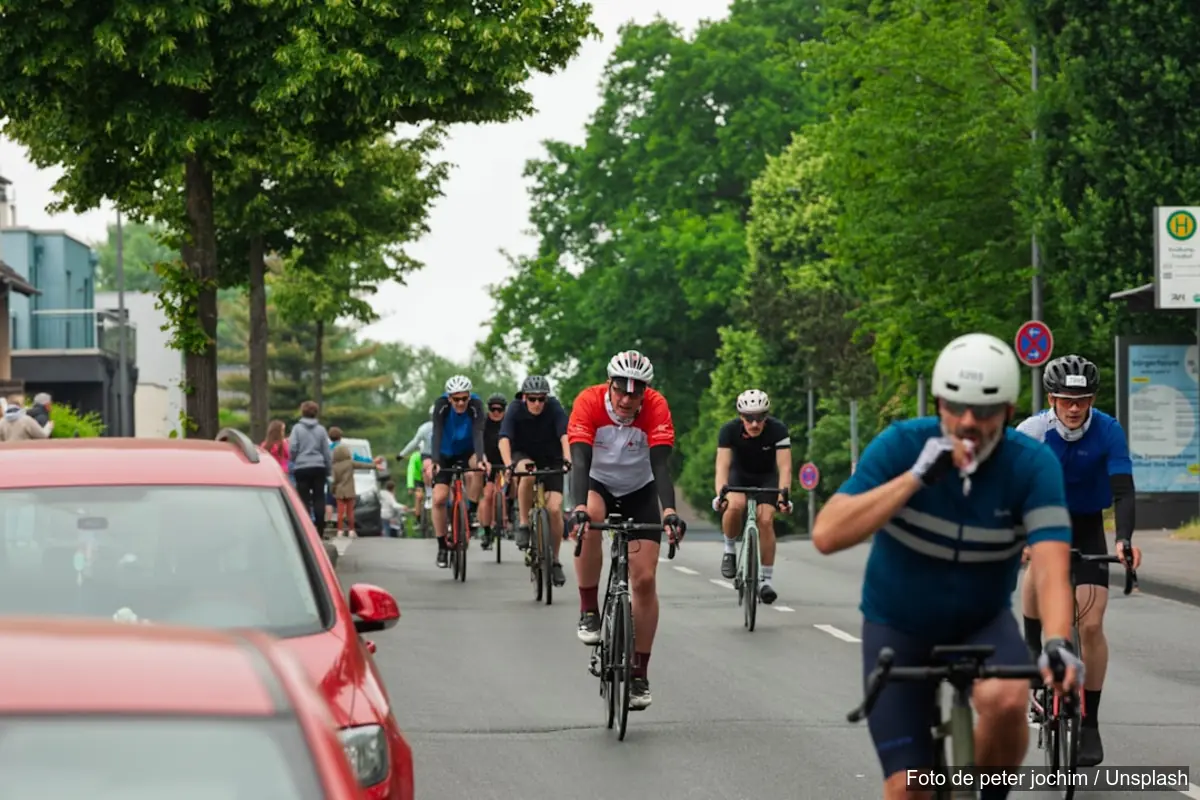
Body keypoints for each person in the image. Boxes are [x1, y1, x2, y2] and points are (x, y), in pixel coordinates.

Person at [811, 333, 1082, 800]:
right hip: (899, 624)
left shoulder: (1031, 466)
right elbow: (827, 534)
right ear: (938, 403)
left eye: (985, 410)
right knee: (907, 790)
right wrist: (915, 479)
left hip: (981, 622)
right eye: (955, 408)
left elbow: (1052, 571)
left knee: (1007, 698)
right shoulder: (901, 445)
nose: (968, 422)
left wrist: (1057, 643)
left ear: (1009, 412)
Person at [1015, 354, 1143, 767]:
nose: (1074, 408)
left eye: (1083, 399)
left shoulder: (1108, 431)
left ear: (1092, 400)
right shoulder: (1032, 431)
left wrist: (1123, 539)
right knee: (1040, 560)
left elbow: (1123, 491)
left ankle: (1090, 725)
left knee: (1090, 623)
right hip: (1043, 516)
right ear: (1052, 398)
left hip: (1088, 520)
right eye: (1067, 400)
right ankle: (1035, 648)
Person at [566, 350, 686, 711]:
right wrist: (579, 508)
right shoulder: (588, 402)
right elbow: (581, 460)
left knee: (645, 580)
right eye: (621, 390)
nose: (626, 399)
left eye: (636, 393)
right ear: (610, 385)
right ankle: (589, 608)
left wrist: (669, 512)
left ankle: (639, 673)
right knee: (589, 525)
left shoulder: (656, 407)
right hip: (598, 483)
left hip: (640, 489)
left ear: (645, 393)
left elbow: (661, 466)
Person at [711, 388, 793, 604]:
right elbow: (722, 467)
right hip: (739, 476)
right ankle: (729, 549)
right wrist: (721, 494)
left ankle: (766, 580)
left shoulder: (778, 430)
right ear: (741, 417)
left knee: (766, 519)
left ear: (766, 416)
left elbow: (784, 468)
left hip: (766, 478)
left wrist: (784, 496)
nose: (755, 424)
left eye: (760, 418)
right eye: (749, 418)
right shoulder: (728, 431)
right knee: (734, 505)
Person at [499, 376, 571, 586]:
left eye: (541, 399)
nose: (537, 404)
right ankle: (522, 523)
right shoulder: (514, 409)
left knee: (555, 509)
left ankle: (555, 560)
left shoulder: (554, 407)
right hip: (524, 455)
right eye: (532, 399)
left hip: (551, 458)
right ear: (524, 398)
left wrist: (567, 458)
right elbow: (504, 438)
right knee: (528, 473)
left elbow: (565, 435)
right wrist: (507, 464)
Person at [430, 376, 488, 568]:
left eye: (464, 398)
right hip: (445, 453)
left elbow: (479, 432)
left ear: (469, 396)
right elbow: (437, 432)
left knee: (476, 471)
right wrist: (436, 460)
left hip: (467, 451)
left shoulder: (476, 405)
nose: (461, 403)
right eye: (456, 399)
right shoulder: (441, 406)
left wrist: (480, 459)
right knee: (439, 498)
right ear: (449, 398)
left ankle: (470, 510)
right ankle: (441, 546)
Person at [289, 401, 333, 532]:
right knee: (319, 497)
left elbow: (292, 447)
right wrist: (328, 469)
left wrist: (295, 459)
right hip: (318, 466)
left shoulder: (297, 428)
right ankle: (320, 527)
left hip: (302, 467)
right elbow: (326, 452)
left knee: (304, 498)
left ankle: (306, 528)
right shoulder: (321, 430)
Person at [477, 393, 508, 550]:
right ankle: (487, 531)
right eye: (492, 409)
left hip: (504, 463)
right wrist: (483, 459)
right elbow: (478, 443)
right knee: (488, 495)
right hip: (488, 463)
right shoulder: (484, 423)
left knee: (502, 490)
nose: (496, 412)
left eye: (499, 409)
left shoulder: (508, 422)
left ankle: (509, 511)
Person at [330, 427, 357, 538]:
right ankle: (351, 530)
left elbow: (334, 480)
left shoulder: (334, 466)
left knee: (340, 512)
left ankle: (339, 531)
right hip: (350, 490)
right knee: (350, 512)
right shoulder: (350, 463)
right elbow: (363, 464)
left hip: (340, 491)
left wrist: (333, 490)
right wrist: (375, 465)